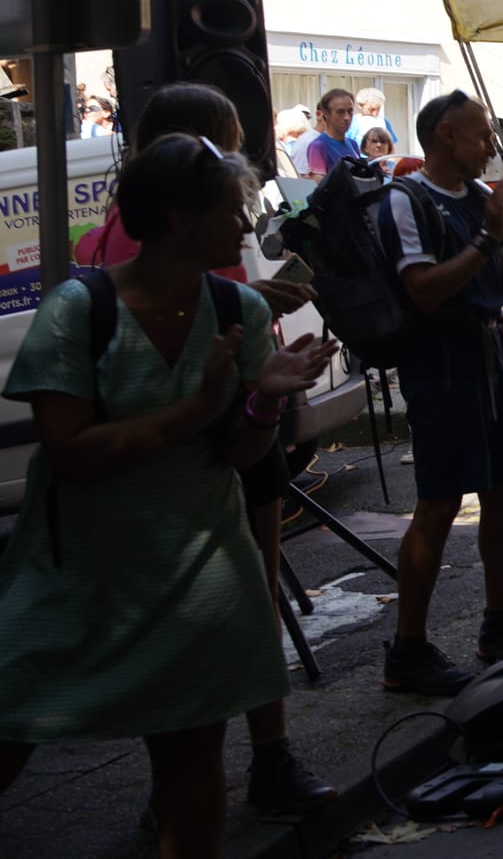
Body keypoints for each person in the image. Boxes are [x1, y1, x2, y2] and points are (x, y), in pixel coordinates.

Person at [0, 136, 339, 855]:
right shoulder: (77, 309)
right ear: (182, 219)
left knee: (191, 761)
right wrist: (197, 407)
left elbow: (242, 454)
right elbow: (71, 452)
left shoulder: (236, 306)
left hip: (199, 572)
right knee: (15, 716)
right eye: (231, 210)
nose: (246, 227)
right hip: (78, 577)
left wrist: (265, 404)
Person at [70, 82, 336, 813]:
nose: (241, 167)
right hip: (188, 461)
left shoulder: (154, 227)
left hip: (230, 422)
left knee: (233, 604)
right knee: (236, 601)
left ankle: (210, 773)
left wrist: (260, 378)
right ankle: (241, 763)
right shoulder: (144, 248)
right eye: (228, 138)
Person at [378, 91, 503, 694]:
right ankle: (407, 647)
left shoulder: (482, 200)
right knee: (438, 504)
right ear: (445, 134)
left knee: (501, 494)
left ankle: (497, 625)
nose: (490, 147)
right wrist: (486, 242)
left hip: (488, 358)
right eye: (480, 136)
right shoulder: (406, 199)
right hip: (439, 367)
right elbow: (423, 291)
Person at [303, 88, 361, 181]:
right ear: (326, 114)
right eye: (340, 112)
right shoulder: (318, 146)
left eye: (350, 111)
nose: (347, 117)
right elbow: (319, 182)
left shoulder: (353, 144)